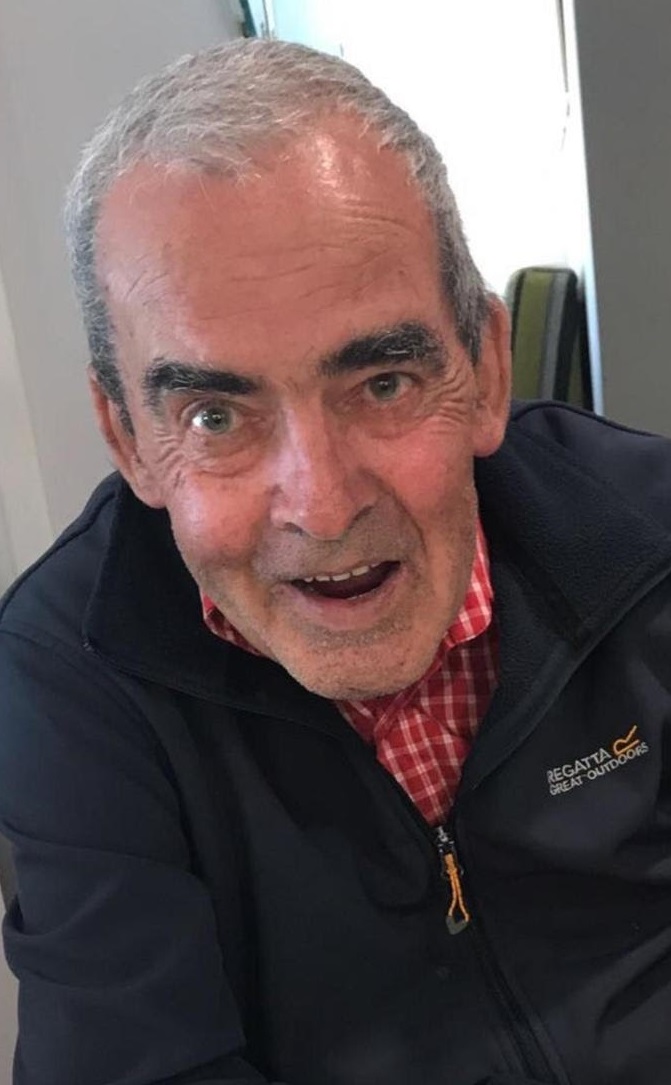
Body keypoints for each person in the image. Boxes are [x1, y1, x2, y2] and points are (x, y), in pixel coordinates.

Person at [1, 36, 670, 1085]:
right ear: (128, 437)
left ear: (485, 368)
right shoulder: (67, 676)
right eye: (216, 415)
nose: (320, 505)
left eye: (384, 383)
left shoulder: (646, 531)